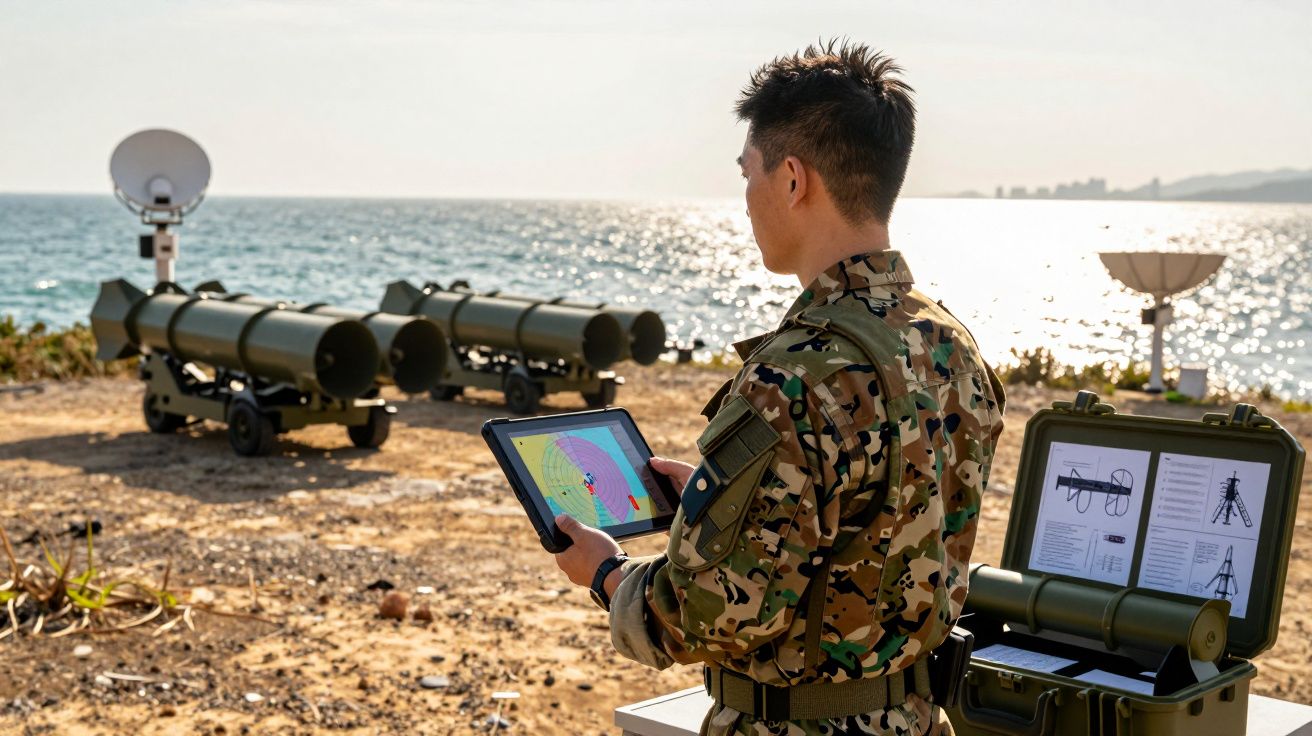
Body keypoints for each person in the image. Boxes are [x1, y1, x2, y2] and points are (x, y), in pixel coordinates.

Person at [553, 40, 1006, 736]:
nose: (745, 201)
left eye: (749, 174)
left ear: (793, 179)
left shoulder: (792, 378)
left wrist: (606, 574)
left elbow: (707, 615)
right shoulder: (949, 344)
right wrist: (714, 509)